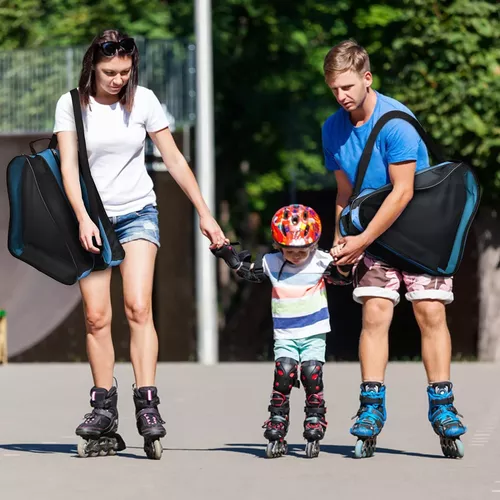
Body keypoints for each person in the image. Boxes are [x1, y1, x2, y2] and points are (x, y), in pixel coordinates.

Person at [54, 29, 228, 459]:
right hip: (91, 217)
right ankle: (103, 406)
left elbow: (173, 158)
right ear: (92, 66)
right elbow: (68, 169)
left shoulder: (144, 101)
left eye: (125, 72)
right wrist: (80, 217)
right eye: (109, 72)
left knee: (137, 306)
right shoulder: (71, 105)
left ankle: (146, 402)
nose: (117, 79)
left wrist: (205, 213)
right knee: (96, 317)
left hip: (136, 213)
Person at [322, 39, 466, 458]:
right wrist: (340, 241)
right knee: (375, 313)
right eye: (334, 89)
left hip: (419, 232)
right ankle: (371, 408)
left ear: (367, 78)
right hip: (372, 235)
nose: (342, 96)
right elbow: (345, 191)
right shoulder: (332, 128)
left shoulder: (396, 123)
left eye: (348, 86)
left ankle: (442, 406)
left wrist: (361, 241)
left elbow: (402, 192)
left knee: (429, 311)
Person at [212, 204, 352, 459]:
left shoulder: (322, 260)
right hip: (285, 333)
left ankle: (315, 417)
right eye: (290, 251)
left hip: (314, 331)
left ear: (314, 244)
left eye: (302, 251)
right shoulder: (272, 262)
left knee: (311, 373)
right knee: (284, 374)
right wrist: (227, 254)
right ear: (278, 246)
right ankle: (277, 418)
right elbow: (247, 272)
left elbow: (344, 278)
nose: (296, 256)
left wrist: (347, 259)